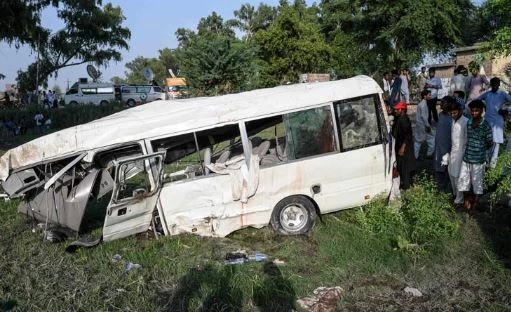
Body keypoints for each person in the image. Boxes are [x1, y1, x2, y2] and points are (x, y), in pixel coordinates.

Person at [457, 99, 493, 212]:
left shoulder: (486, 125)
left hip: (478, 160)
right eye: (472, 111)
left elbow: (490, 142)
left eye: (476, 111)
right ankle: (466, 201)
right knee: (463, 181)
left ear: (481, 111)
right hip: (467, 158)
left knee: (477, 184)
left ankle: (475, 206)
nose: (473, 113)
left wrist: (480, 149)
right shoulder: (468, 122)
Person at [477, 77, 511, 167]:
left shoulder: (502, 94)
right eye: (493, 84)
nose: (495, 86)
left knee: (496, 144)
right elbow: (477, 100)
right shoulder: (487, 94)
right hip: (488, 122)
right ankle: (485, 165)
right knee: (486, 142)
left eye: (496, 84)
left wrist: (506, 110)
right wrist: (483, 106)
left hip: (497, 123)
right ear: (491, 85)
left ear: (499, 85)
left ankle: (492, 166)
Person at [444, 102, 468, 208]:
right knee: (451, 174)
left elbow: (467, 140)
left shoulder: (466, 122)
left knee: (458, 176)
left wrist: (465, 155)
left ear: (460, 111)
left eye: (454, 113)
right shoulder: (453, 121)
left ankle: (459, 200)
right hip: (453, 152)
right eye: (451, 113)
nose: (452, 115)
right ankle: (455, 195)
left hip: (461, 153)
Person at [392, 101, 416, 190]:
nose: (395, 111)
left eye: (397, 109)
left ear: (402, 110)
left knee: (405, 167)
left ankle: (407, 186)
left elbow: (408, 135)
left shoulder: (404, 120)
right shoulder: (399, 118)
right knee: (401, 166)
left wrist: (403, 147)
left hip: (404, 148)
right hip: (399, 145)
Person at [434, 97, 453, 192]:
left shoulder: (453, 117)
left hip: (449, 148)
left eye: (443, 103)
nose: (441, 105)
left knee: (448, 168)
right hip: (439, 146)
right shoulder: (440, 114)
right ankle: (440, 188)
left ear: (449, 104)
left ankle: (448, 190)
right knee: (439, 167)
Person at [414, 90, 434, 159]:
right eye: (429, 95)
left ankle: (417, 155)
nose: (430, 96)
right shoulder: (423, 104)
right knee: (430, 138)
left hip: (421, 125)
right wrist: (427, 126)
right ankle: (429, 153)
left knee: (419, 140)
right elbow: (423, 116)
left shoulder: (423, 103)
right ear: (424, 96)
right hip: (423, 125)